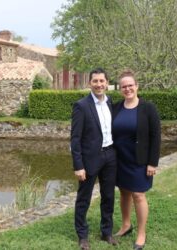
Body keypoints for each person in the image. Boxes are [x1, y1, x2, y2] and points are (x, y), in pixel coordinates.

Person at [112, 70, 161, 250]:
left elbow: (156, 136)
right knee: (124, 193)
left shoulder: (148, 108)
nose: (127, 89)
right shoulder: (116, 107)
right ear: (120, 89)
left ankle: (141, 233)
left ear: (136, 86)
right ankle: (126, 225)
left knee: (138, 195)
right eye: (124, 86)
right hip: (120, 159)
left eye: (130, 85)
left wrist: (152, 162)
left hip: (139, 160)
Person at [71, 68, 118, 250]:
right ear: (89, 83)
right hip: (90, 158)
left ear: (107, 83)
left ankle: (106, 232)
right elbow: (75, 139)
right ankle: (82, 236)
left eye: (102, 81)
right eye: (95, 81)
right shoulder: (81, 106)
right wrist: (78, 165)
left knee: (108, 196)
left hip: (110, 156)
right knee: (84, 198)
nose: (99, 84)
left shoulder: (110, 102)